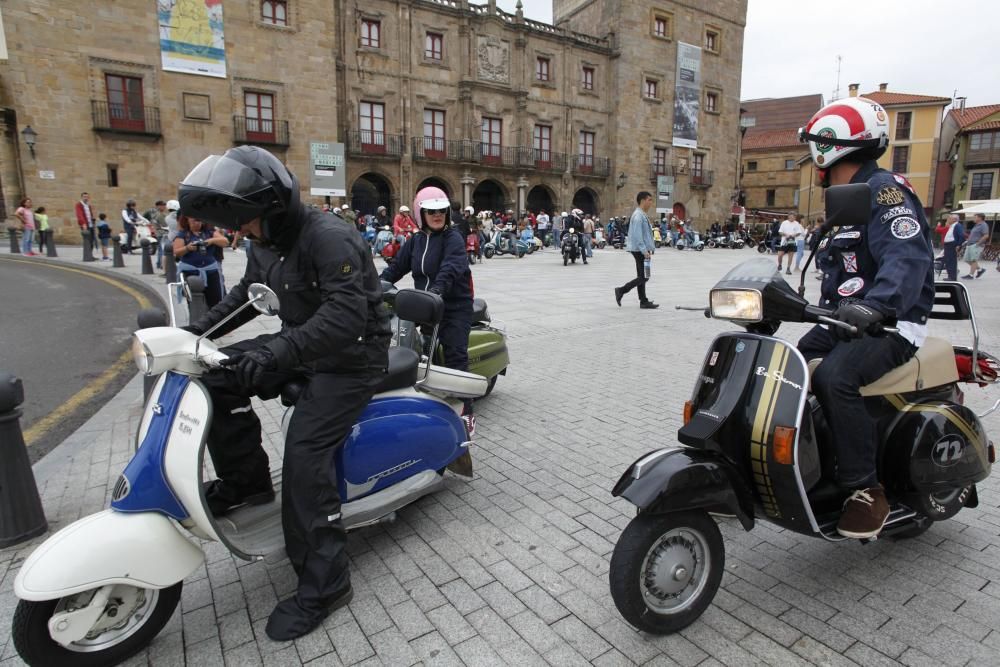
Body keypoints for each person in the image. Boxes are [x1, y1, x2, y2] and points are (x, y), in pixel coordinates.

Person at [177, 145, 391, 641]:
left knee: (304, 453)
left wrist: (276, 354)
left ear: (269, 210)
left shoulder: (330, 237)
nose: (240, 233)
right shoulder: (265, 240)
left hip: (352, 359)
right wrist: (196, 336)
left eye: (245, 223)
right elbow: (248, 296)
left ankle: (327, 583)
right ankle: (247, 482)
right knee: (215, 377)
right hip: (302, 343)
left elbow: (345, 318)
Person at [798, 96, 934, 538]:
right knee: (792, 362)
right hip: (849, 322)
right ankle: (811, 457)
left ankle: (865, 488)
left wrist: (878, 304)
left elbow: (906, 256)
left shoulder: (886, 190)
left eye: (817, 144)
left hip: (891, 325)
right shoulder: (846, 199)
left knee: (837, 375)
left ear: (832, 146)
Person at [379, 186, 476, 433]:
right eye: (430, 210)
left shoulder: (453, 238)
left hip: (453, 306)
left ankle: (466, 412)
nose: (437, 215)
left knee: (455, 356)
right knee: (419, 353)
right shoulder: (416, 241)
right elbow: (396, 268)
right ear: (420, 213)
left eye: (441, 210)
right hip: (426, 308)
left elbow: (451, 268)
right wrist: (374, 285)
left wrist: (435, 292)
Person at [172, 213, 229, 308]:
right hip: (190, 272)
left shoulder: (209, 232)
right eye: (194, 221)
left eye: (199, 221)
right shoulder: (183, 234)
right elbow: (177, 252)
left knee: (215, 300)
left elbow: (225, 242)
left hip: (210, 271)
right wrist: (188, 248)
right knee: (193, 302)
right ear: (188, 220)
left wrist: (210, 241)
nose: (197, 223)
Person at [614, 191, 658, 309]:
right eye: (649, 200)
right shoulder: (638, 216)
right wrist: (645, 251)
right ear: (643, 201)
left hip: (640, 249)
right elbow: (638, 236)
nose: (651, 203)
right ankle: (621, 290)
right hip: (639, 250)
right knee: (644, 276)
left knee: (642, 275)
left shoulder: (641, 214)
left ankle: (643, 301)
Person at [961, 213, 990, 279]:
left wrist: (978, 243)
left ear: (980, 218)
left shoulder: (983, 225)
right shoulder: (976, 225)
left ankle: (971, 275)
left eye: (975, 217)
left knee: (973, 260)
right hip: (970, 244)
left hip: (976, 245)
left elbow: (986, 235)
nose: (974, 218)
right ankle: (980, 270)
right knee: (966, 259)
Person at [942, 213, 965, 281]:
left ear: (954, 219)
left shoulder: (957, 225)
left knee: (951, 261)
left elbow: (961, 235)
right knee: (948, 261)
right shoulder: (952, 225)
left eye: (950, 218)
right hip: (948, 245)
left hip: (952, 245)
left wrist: (958, 244)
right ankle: (950, 275)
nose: (949, 219)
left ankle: (952, 277)